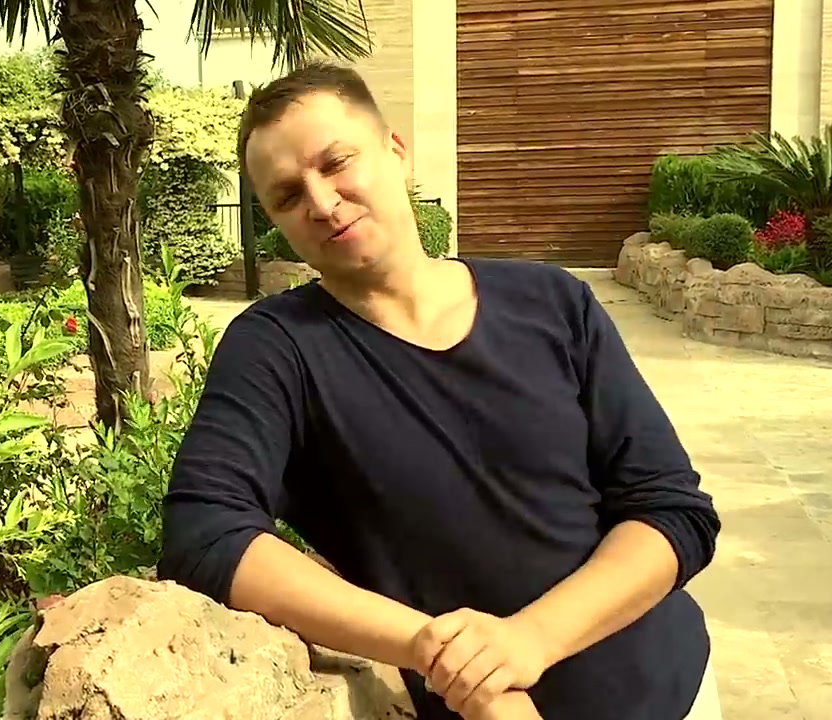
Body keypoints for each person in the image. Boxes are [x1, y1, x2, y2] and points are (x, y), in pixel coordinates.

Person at [156, 62, 722, 720]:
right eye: (287, 195)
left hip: (674, 689)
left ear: (395, 150)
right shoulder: (277, 348)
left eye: (336, 162)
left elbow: (671, 510)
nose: (322, 202)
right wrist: (440, 653)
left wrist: (529, 640)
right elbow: (204, 532)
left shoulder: (553, 303)